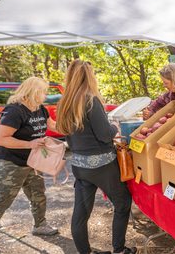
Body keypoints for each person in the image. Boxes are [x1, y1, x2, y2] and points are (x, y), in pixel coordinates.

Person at [0, 77, 58, 254]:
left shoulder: (40, 109)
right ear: (32, 91)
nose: (46, 95)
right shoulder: (14, 111)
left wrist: (74, 127)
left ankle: (40, 225)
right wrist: (30, 144)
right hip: (9, 163)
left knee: (38, 194)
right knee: (2, 200)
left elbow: (54, 127)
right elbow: (0, 139)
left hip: (31, 161)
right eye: (43, 91)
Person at [56, 60, 135, 254]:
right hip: (103, 165)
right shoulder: (90, 100)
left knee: (81, 214)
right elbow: (105, 134)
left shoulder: (64, 102)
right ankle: (119, 249)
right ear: (89, 76)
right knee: (123, 202)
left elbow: (66, 134)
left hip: (80, 166)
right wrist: (115, 126)